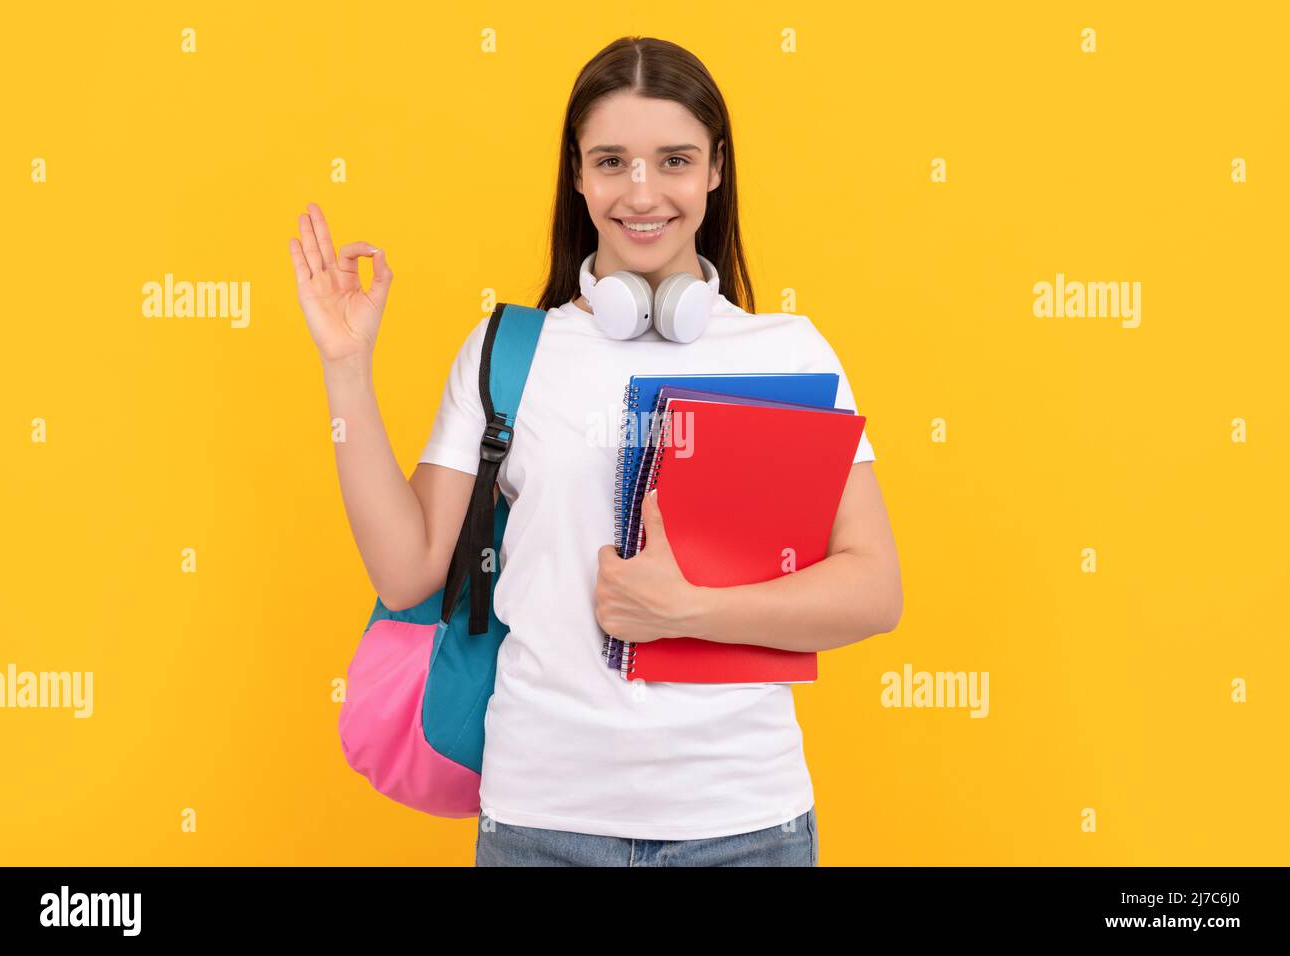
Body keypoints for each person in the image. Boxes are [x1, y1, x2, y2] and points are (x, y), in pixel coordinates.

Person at [288, 36, 901, 867]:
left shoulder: (789, 353)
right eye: (611, 161)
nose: (641, 192)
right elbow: (406, 574)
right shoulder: (510, 351)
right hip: (541, 820)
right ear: (577, 174)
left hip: (745, 821)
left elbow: (874, 590)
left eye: (674, 159)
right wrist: (345, 369)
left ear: (716, 168)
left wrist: (687, 612)